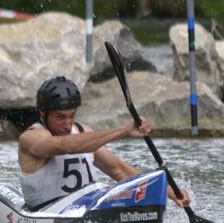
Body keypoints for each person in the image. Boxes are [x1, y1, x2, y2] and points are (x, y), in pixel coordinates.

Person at [19, 76, 191, 210]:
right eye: (60, 117)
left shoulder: (82, 132)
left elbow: (118, 169)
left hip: (85, 208)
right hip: (47, 212)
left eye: (72, 115)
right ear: (42, 112)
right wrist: (124, 130)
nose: (68, 123)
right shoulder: (31, 138)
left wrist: (169, 192)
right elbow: (67, 146)